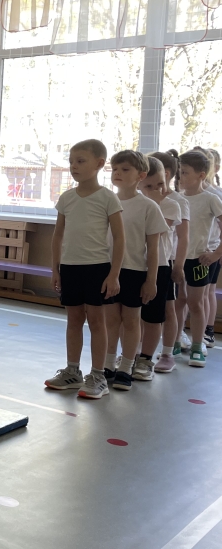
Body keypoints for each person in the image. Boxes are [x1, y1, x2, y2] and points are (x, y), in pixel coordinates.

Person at [45, 139, 124, 400]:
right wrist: (56, 269)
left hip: (97, 268)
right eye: (71, 162)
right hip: (70, 268)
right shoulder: (66, 198)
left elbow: (120, 239)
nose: (73, 166)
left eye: (80, 161)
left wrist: (114, 274)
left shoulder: (108, 198)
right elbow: (58, 236)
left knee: (97, 322)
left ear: (99, 164)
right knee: (74, 320)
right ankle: (72, 371)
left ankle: (98, 375)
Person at [103, 151, 167, 391]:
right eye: (114, 169)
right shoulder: (106, 201)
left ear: (140, 175)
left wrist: (151, 280)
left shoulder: (148, 207)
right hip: (109, 271)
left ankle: (126, 368)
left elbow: (154, 249)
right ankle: (107, 365)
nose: (117, 173)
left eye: (125, 169)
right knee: (111, 321)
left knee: (131, 322)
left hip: (134, 271)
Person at [139, 156, 182, 377]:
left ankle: (157, 356)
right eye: (149, 186)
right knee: (134, 315)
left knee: (158, 313)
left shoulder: (171, 204)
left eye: (160, 184)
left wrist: (154, 203)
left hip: (161, 265)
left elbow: (158, 228)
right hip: (135, 264)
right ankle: (132, 354)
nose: (157, 190)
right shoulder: (134, 203)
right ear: (138, 183)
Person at [180, 149, 222, 366]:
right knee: (178, 303)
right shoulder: (178, 198)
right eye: (179, 172)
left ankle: (198, 346)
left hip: (198, 259)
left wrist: (216, 253)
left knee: (195, 303)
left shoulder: (211, 199)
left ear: (201, 175)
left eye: (185, 172)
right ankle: (173, 344)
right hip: (178, 259)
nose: (180, 177)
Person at [155, 149, 192, 359]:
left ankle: (168, 353)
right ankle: (135, 354)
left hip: (166, 261)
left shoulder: (178, 201)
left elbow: (183, 237)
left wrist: (178, 266)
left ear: (165, 174)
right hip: (141, 262)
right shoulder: (142, 198)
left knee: (169, 308)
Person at [201, 147, 222, 348]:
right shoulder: (187, 193)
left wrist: (217, 252)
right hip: (194, 250)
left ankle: (208, 330)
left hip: (211, 249)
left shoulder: (215, 194)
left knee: (208, 291)